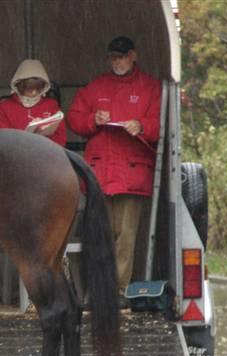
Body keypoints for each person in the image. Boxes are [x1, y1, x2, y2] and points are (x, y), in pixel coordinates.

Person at [67, 36, 161, 303]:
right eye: (112, 57)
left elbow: (160, 124)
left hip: (132, 173)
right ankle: (100, 290)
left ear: (133, 55)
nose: (116, 62)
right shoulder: (97, 86)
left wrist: (141, 125)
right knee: (100, 235)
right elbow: (74, 117)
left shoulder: (151, 87)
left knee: (126, 236)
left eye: (120, 56)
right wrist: (92, 119)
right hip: (100, 173)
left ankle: (119, 290)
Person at [0, 59, 67, 147]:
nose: (34, 92)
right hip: (15, 156)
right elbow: (1, 139)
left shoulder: (51, 105)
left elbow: (61, 138)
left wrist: (44, 135)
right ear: (19, 86)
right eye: (29, 88)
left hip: (46, 154)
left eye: (38, 88)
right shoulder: (5, 107)